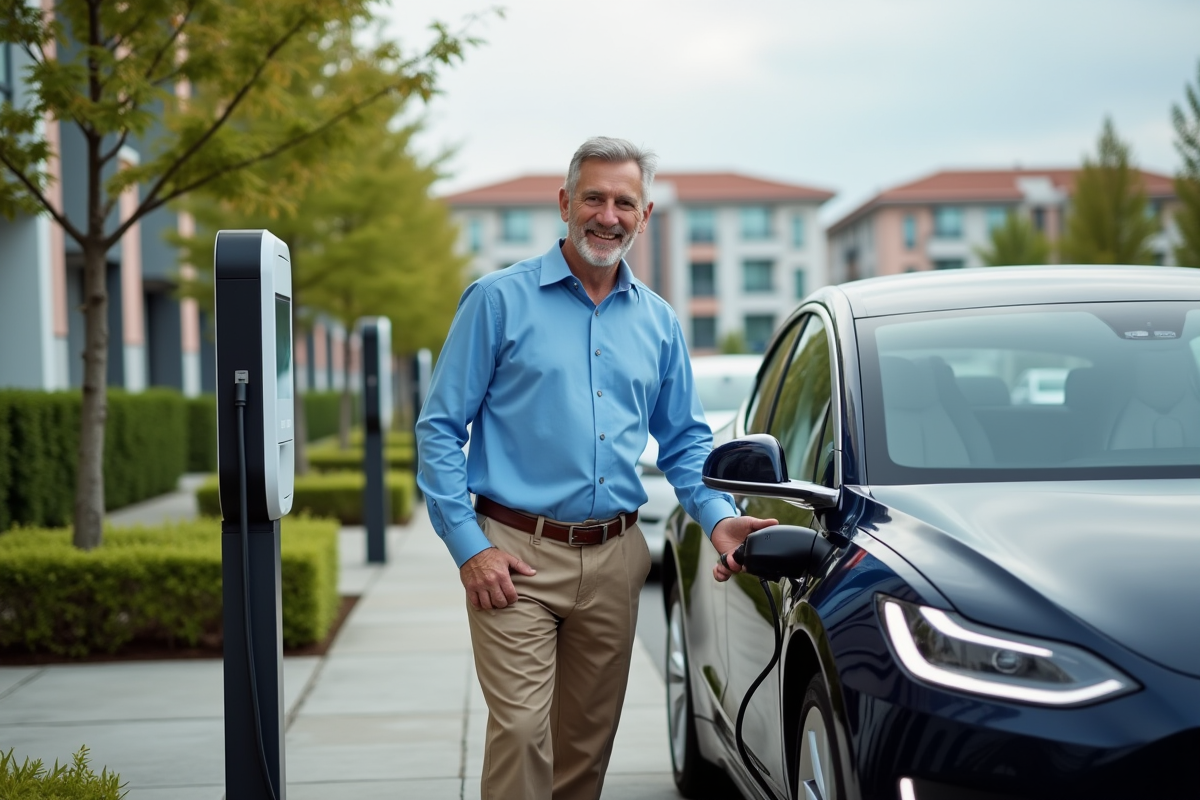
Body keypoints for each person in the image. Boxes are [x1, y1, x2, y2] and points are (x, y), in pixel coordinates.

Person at [416, 136, 775, 800]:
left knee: (584, 749)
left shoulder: (660, 323)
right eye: (595, 197)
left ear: (644, 217)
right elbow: (439, 430)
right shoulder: (497, 301)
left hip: (614, 558)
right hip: (514, 556)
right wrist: (469, 547)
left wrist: (719, 519)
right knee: (523, 732)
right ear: (564, 203)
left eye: (624, 202)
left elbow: (686, 444)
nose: (608, 215)